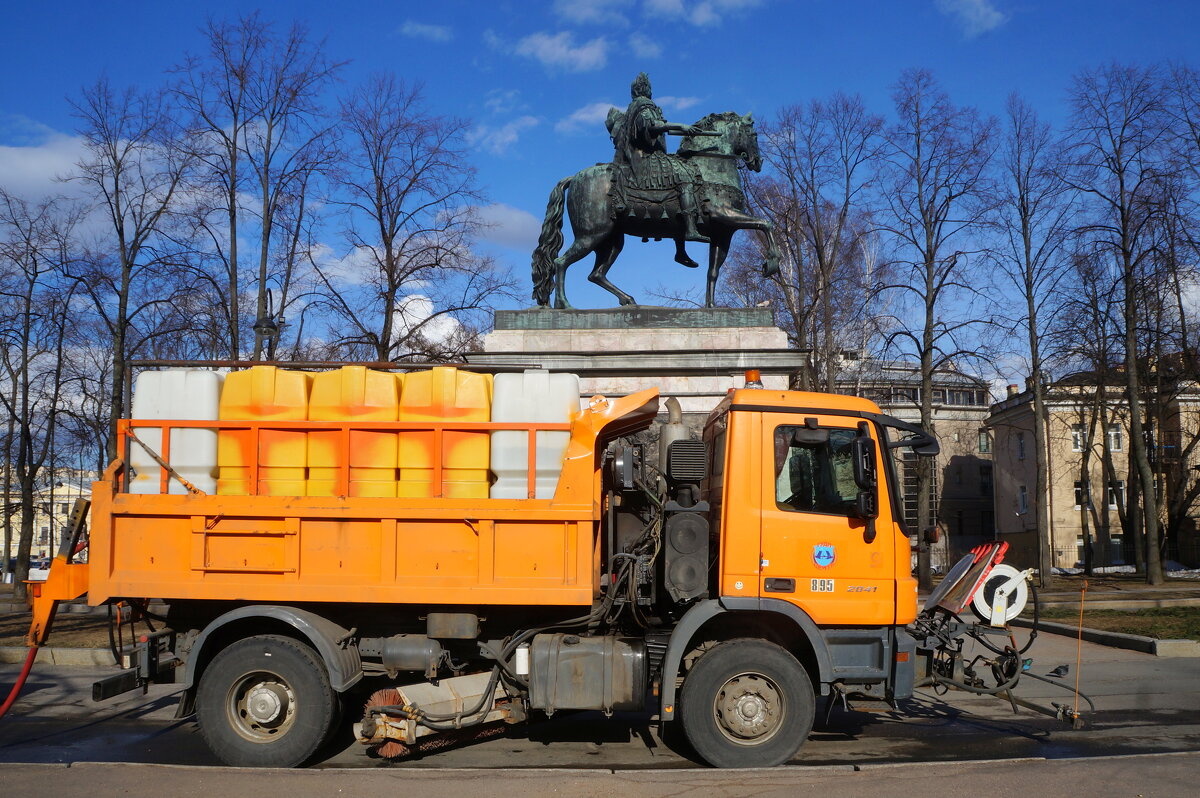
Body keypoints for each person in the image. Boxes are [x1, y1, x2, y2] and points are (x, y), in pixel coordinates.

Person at [613, 73, 704, 242]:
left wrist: (682, 130)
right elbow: (652, 126)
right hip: (646, 157)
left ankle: (681, 248)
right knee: (685, 176)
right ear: (645, 89)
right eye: (649, 88)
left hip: (646, 154)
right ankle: (690, 228)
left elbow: (660, 127)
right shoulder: (643, 105)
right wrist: (682, 126)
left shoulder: (635, 106)